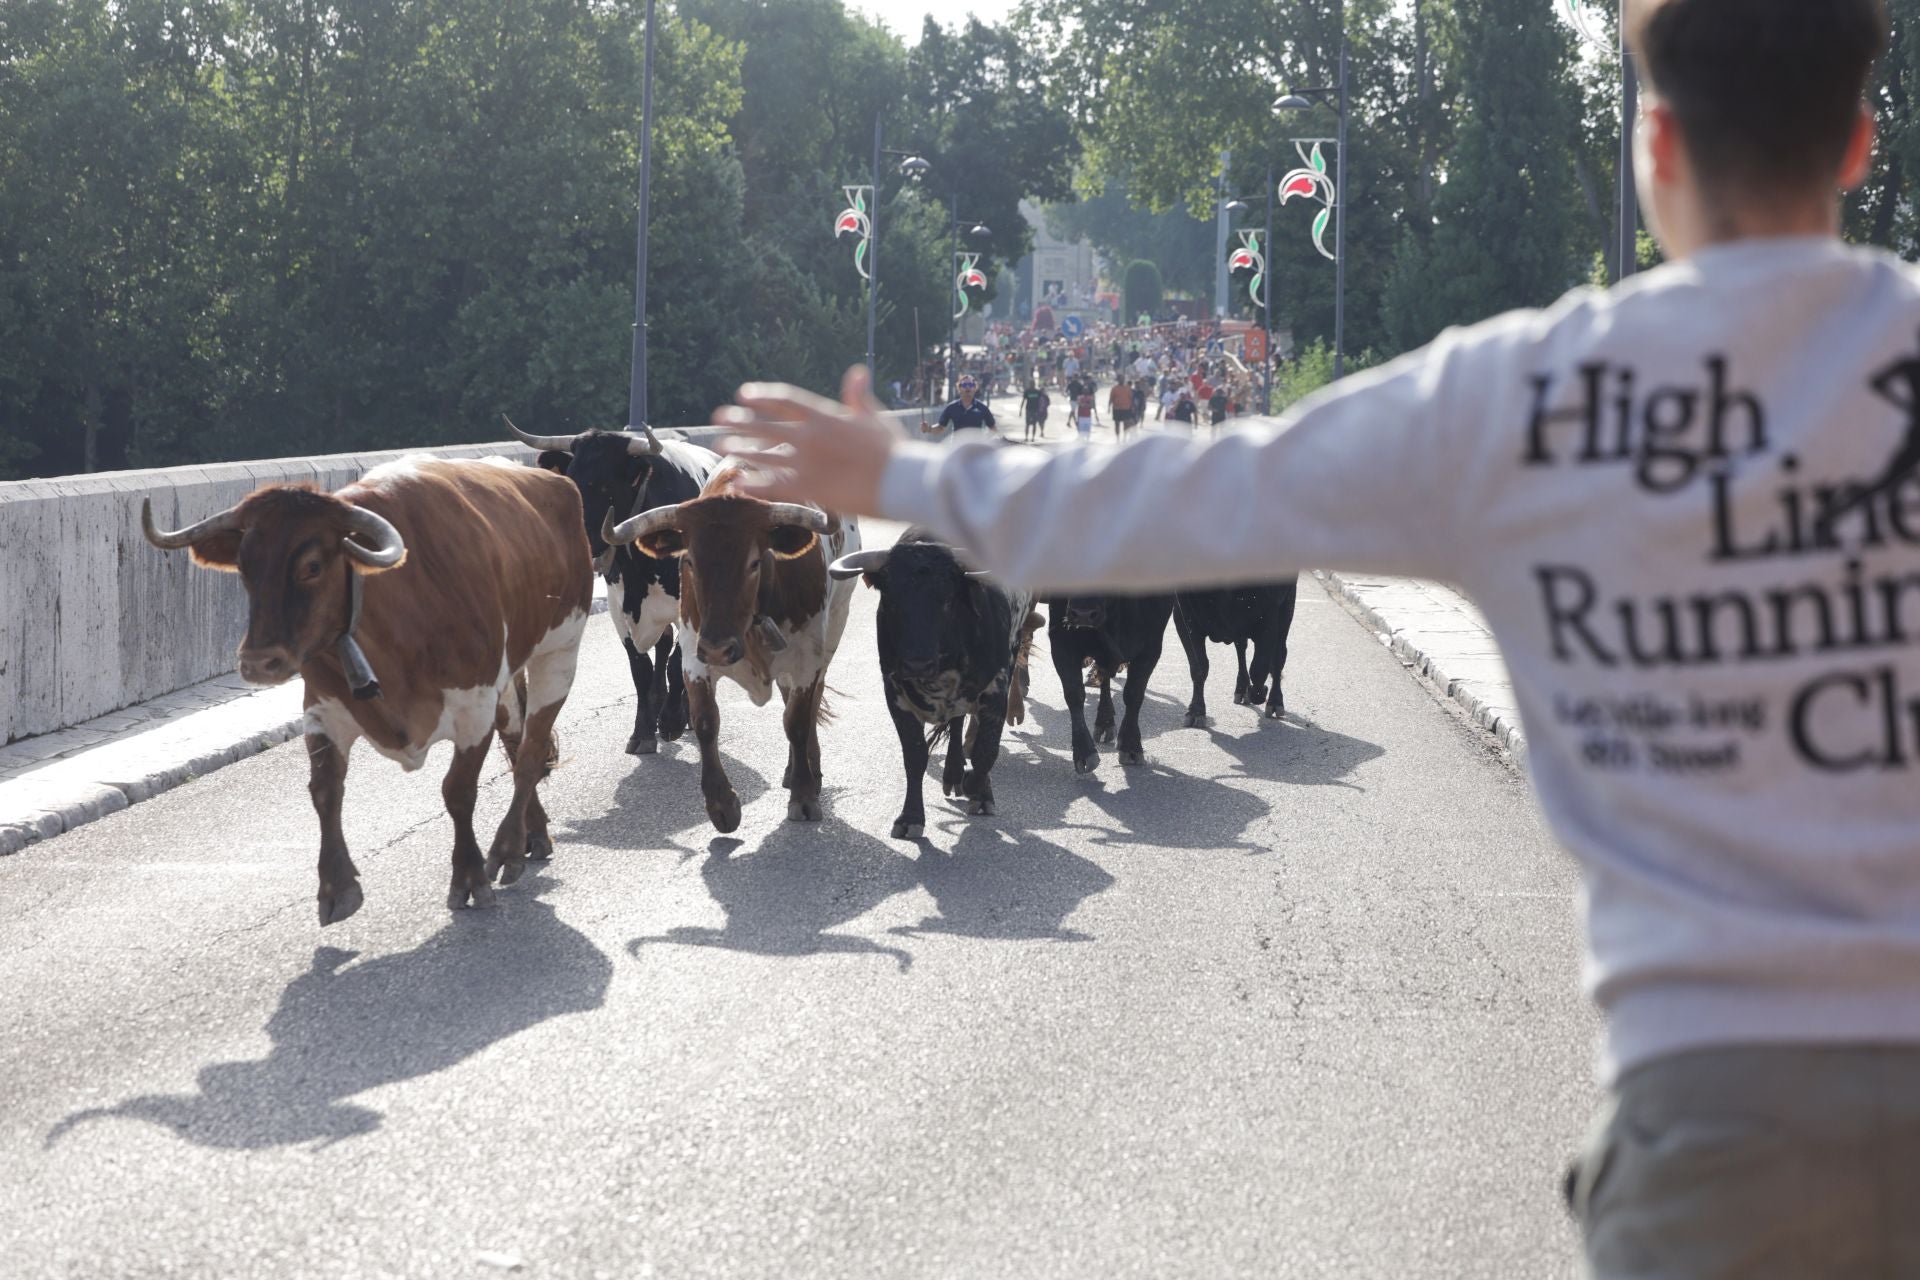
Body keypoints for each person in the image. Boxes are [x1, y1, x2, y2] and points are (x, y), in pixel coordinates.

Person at [717, 3, 1920, 1271]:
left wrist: (905, 477)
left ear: (1657, 145)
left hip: (1718, 1141)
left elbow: (1181, 496)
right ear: (1858, 142)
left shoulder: (1523, 395)